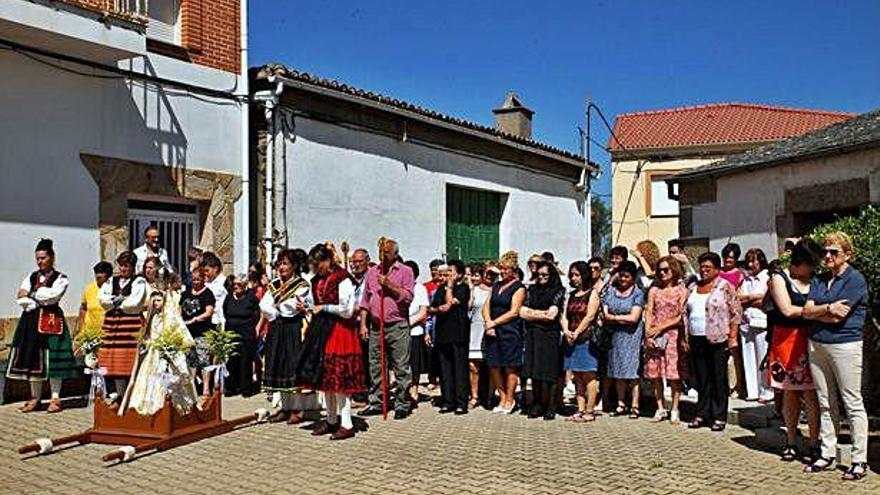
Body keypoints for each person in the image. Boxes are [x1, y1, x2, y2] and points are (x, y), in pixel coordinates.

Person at [801, 232, 869, 480]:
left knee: (852, 401)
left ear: (847, 255)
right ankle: (827, 452)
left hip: (845, 345)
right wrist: (827, 308)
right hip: (817, 344)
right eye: (825, 251)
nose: (828, 256)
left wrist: (818, 312)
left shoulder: (855, 279)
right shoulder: (819, 279)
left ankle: (859, 459)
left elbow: (840, 316)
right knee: (825, 401)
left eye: (834, 252)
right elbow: (806, 311)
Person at [296, 243, 365, 440]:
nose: (317, 269)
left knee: (339, 379)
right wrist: (306, 307)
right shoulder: (316, 280)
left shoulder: (342, 279)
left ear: (327, 260)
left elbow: (348, 310)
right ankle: (331, 419)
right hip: (320, 330)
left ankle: (347, 423)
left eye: (319, 265)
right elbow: (314, 304)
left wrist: (324, 308)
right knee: (325, 378)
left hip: (340, 330)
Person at [7, 239, 78, 413]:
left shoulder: (61, 278)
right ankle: (35, 398)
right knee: (33, 358)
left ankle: (55, 398)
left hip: (51, 320)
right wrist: (33, 296)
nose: (40, 262)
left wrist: (31, 294)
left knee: (53, 359)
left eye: (43, 258)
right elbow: (20, 296)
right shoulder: (31, 277)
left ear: (51, 257)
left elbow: (52, 296)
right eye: (37, 258)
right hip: (31, 321)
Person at [766, 239, 820, 463]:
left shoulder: (815, 279)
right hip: (787, 340)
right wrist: (819, 310)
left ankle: (814, 442)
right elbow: (786, 309)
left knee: (811, 392)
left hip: (811, 338)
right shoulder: (779, 278)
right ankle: (790, 440)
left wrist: (813, 312)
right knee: (790, 391)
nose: (813, 269)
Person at [121, 274, 199, 416]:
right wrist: (145, 343)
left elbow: (180, 331)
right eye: (154, 300)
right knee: (149, 381)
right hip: (153, 354)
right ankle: (145, 409)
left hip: (169, 354)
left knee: (171, 380)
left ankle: (177, 409)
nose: (156, 303)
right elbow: (148, 335)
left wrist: (175, 347)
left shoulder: (171, 317)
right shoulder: (153, 318)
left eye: (159, 300)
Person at [357, 239, 415, 420]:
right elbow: (365, 301)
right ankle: (377, 402)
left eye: (387, 253)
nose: (383, 256)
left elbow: (408, 297)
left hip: (397, 326)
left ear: (395, 254)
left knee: (401, 366)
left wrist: (390, 286)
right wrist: (363, 324)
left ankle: (402, 403)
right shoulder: (372, 272)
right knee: (376, 366)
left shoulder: (405, 271)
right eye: (381, 252)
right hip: (376, 327)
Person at [685, 252, 742, 432]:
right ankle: (702, 413)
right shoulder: (693, 287)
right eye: (702, 267)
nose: (704, 270)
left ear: (717, 269)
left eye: (708, 267)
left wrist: (732, 337)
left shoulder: (725, 287)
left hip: (718, 338)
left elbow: (736, 313)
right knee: (701, 377)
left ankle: (719, 415)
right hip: (696, 337)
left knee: (718, 378)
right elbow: (685, 312)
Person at [260, 249, 310, 424]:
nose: (281, 267)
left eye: (285, 263)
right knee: (279, 364)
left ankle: (298, 409)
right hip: (277, 328)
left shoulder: (301, 285)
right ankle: (285, 407)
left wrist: (276, 307)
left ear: (294, 266)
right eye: (279, 264)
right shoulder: (274, 284)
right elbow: (264, 305)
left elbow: (292, 307)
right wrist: (275, 309)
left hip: (293, 328)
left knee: (292, 366)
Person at [643, 256, 689, 424]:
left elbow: (681, 316)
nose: (662, 273)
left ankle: (675, 408)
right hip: (655, 335)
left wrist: (661, 327)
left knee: (674, 374)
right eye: (659, 270)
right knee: (656, 374)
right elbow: (649, 311)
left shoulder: (681, 290)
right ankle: (660, 407)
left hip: (673, 335)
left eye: (666, 270)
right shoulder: (654, 290)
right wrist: (648, 333)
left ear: (674, 270)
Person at [98, 250, 148, 399]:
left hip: (129, 325)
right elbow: (102, 299)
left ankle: (130, 396)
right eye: (121, 266)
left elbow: (134, 303)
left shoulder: (139, 281)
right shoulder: (111, 281)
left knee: (127, 359)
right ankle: (118, 395)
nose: (123, 269)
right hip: (112, 325)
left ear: (132, 267)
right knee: (113, 359)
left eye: (126, 266)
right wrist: (118, 300)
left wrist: (115, 302)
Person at [521, 261, 566, 420]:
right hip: (533, 334)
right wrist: (542, 314)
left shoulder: (558, 290)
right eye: (539, 274)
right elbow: (522, 312)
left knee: (550, 371)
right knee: (534, 370)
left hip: (550, 335)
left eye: (545, 275)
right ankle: (537, 403)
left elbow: (552, 315)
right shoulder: (532, 290)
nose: (541, 277)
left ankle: (551, 405)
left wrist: (532, 313)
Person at [483, 250, 526, 414]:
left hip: (510, 331)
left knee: (510, 367)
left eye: (505, 269)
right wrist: (488, 323)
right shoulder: (496, 286)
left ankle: (510, 399)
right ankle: (501, 397)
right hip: (493, 331)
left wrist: (494, 322)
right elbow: (486, 306)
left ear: (513, 270)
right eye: (500, 268)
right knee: (494, 365)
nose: (502, 271)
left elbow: (514, 312)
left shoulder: (519, 288)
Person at [602, 260, 645, 419]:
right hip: (614, 336)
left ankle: (635, 405)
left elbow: (633, 318)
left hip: (632, 337)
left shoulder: (638, 294)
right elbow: (604, 311)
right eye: (621, 276)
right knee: (617, 369)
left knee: (633, 371)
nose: (623, 279)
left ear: (633, 277)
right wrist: (619, 318)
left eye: (626, 276)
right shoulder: (612, 291)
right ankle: (621, 403)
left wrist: (613, 318)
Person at [429, 259, 472, 415]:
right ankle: (448, 400)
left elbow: (450, 303)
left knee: (459, 369)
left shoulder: (463, 289)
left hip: (458, 334)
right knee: (445, 370)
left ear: (459, 274)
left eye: (450, 271)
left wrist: (450, 288)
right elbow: (432, 308)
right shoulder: (440, 288)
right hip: (443, 334)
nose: (447, 274)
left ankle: (461, 402)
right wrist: (438, 309)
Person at [562, 261, 602, 422]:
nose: (574, 278)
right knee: (577, 375)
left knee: (589, 375)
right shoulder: (571, 295)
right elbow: (564, 315)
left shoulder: (592, 293)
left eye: (577, 274)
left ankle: (590, 410)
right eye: (572, 275)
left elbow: (590, 316)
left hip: (586, 339)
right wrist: (566, 331)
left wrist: (577, 332)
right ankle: (580, 409)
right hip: (571, 339)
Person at [737, 248, 773, 402]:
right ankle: (753, 391)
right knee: (748, 357)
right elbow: (739, 298)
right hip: (746, 322)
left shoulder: (767, 277)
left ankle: (766, 391)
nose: (751, 264)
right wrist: (753, 297)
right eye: (748, 261)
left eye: (753, 261)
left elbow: (764, 300)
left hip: (761, 321)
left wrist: (749, 298)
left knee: (762, 357)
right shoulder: (746, 280)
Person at [180, 266, 216, 397]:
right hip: (188, 332)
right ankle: (192, 386)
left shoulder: (208, 294)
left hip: (202, 331)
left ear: (203, 279)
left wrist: (195, 319)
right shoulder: (186, 293)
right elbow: (180, 309)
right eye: (193, 280)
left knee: (204, 359)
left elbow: (209, 312)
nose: (195, 282)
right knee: (191, 360)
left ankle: (206, 387)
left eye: (198, 280)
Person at [223, 274, 261, 397]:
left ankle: (246, 388)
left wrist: (255, 328)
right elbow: (225, 312)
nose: (236, 286)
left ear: (245, 285)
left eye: (239, 284)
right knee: (231, 360)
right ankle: (232, 387)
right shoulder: (229, 297)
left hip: (246, 333)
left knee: (245, 360)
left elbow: (257, 314)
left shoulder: (251, 297)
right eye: (234, 284)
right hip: (231, 332)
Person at [467, 263, 495, 409]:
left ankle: (489, 396)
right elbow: (468, 307)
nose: (489, 276)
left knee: (492, 367)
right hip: (475, 329)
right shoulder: (475, 290)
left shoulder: (498, 290)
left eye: (493, 274)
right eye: (487, 273)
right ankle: (474, 396)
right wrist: (471, 288)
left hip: (492, 329)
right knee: (473, 365)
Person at [404, 260, 429, 406]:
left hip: (414, 331)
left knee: (414, 364)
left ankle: (414, 390)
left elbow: (422, 313)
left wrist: (406, 324)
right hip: (399, 332)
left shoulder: (420, 289)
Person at [75, 261, 113, 342]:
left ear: (109, 275)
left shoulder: (116, 289)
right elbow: (83, 308)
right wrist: (81, 329)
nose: (98, 275)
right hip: (90, 335)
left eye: (101, 272)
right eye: (96, 272)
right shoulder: (89, 289)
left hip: (109, 334)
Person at [201, 251, 227, 327]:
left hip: (218, 321)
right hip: (206, 321)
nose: (205, 273)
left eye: (207, 270)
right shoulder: (205, 283)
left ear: (215, 269)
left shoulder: (223, 282)